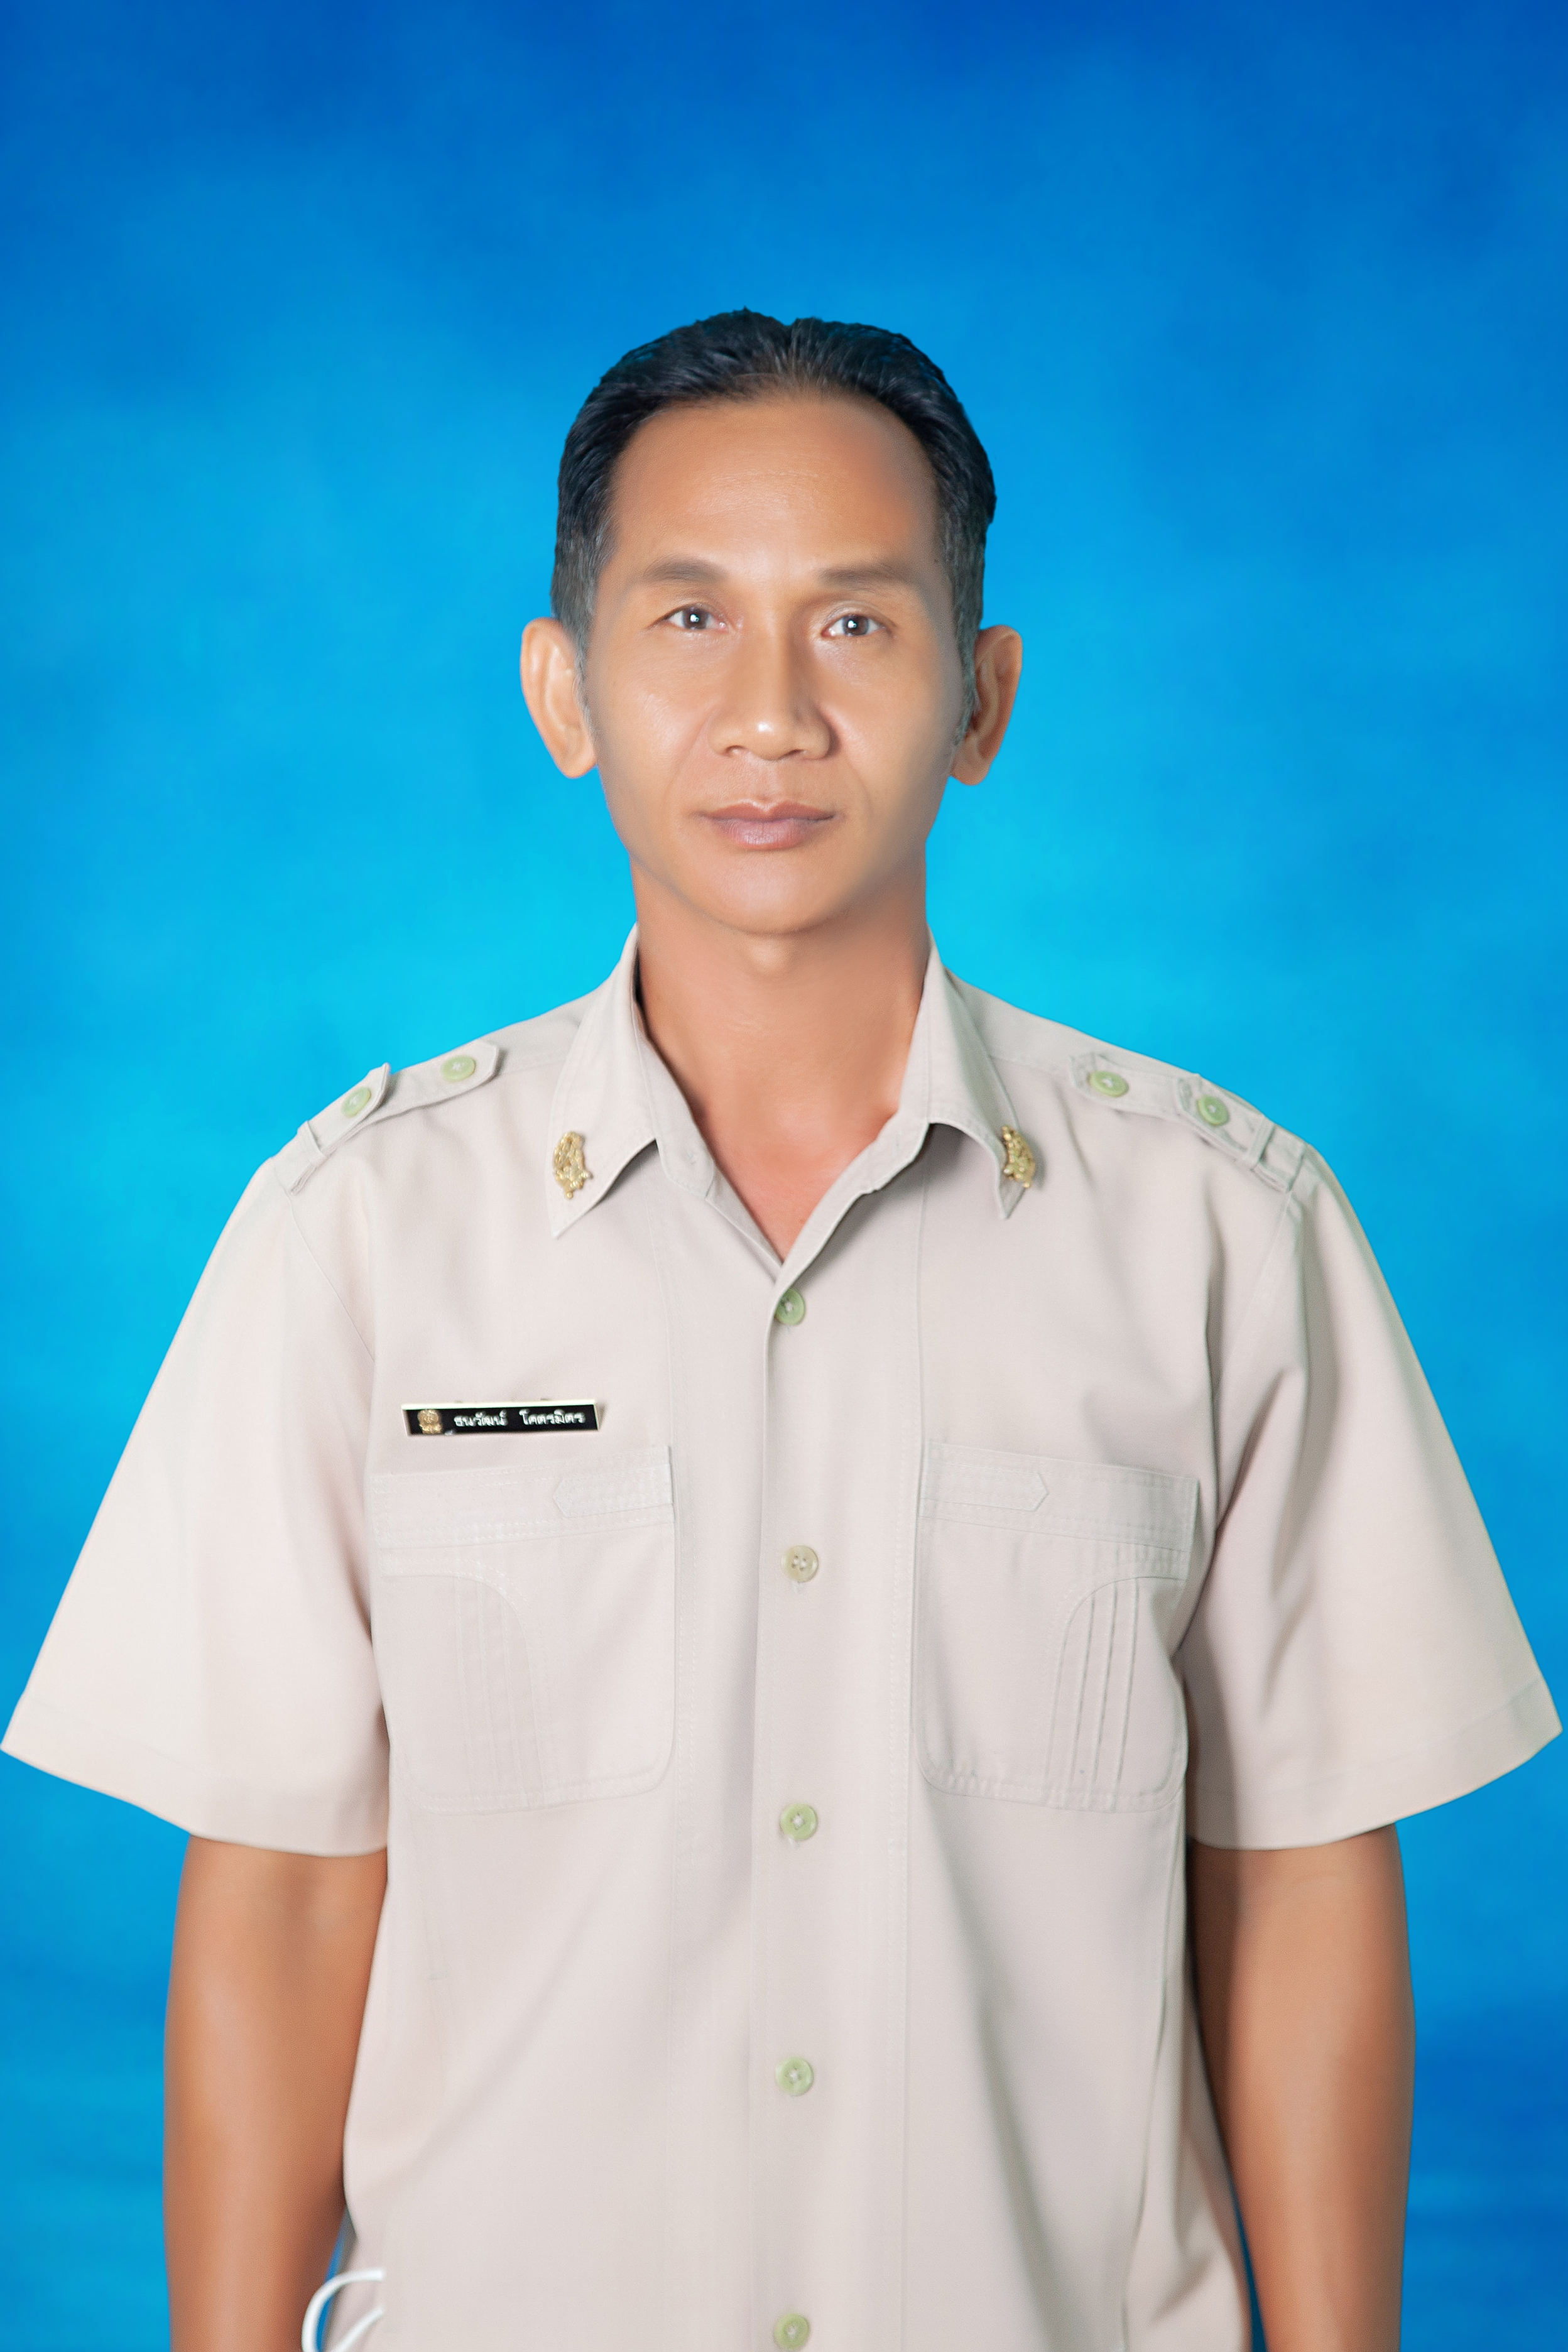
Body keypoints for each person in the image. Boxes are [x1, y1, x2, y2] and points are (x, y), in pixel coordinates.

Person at [3, 310, 1557, 2352]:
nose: (771, 716)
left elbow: (1293, 1884)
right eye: (688, 620)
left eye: (854, 626)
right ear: (563, 691)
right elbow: (289, 1892)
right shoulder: (361, 1237)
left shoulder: (1224, 1236)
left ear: (981, 698)